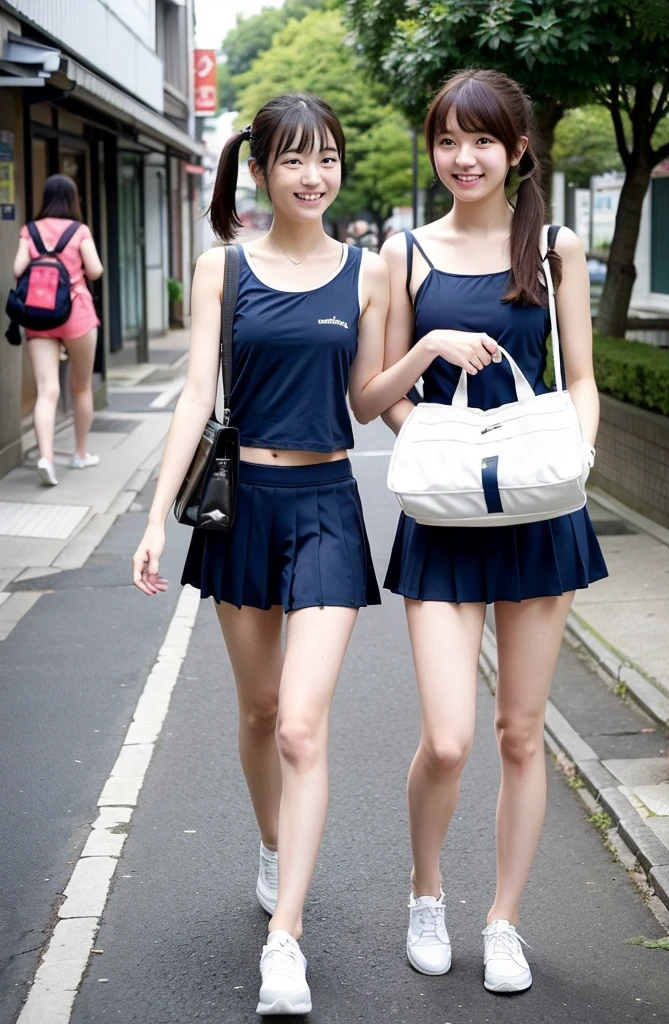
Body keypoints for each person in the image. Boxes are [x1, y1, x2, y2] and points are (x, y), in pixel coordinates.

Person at [132, 93, 389, 1016]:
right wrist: (157, 514)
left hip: (327, 504)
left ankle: (287, 940)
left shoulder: (368, 272)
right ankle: (276, 847)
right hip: (243, 507)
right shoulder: (222, 268)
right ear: (262, 170)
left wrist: (460, 421)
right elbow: (196, 393)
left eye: (326, 158)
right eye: (293, 160)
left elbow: (369, 397)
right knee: (258, 709)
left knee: (300, 726)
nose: (313, 176)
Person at [354, 68, 608, 992]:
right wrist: (426, 355)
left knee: (520, 732)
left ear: (517, 151)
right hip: (446, 516)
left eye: (482, 142)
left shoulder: (554, 248)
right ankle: (428, 892)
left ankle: (504, 920)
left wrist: (570, 461)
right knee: (451, 736)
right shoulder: (403, 253)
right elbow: (371, 396)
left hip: (540, 514)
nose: (464, 159)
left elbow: (580, 378)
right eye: (448, 141)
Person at [12, 174, 103, 486]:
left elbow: (17, 269)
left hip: (39, 315)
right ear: (73, 198)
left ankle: (46, 458)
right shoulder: (79, 231)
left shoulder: (30, 230)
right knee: (80, 386)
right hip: (76, 312)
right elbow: (95, 269)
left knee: (46, 390)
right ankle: (80, 454)